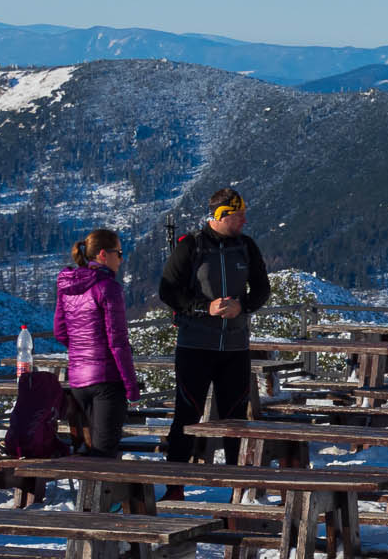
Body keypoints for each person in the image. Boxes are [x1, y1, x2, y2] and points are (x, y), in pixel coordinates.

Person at [158, 188, 270, 483]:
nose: (244, 221)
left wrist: (242, 305)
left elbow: (262, 289)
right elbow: (168, 291)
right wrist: (203, 307)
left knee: (235, 420)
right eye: (238, 215)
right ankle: (175, 484)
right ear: (221, 216)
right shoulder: (191, 247)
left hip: (234, 348)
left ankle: (239, 486)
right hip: (195, 346)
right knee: (187, 415)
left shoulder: (246, 247)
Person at [53, 228, 142, 457]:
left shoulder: (68, 288)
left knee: (89, 448)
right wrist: (131, 387)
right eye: (119, 253)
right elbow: (118, 342)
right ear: (104, 254)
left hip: (78, 381)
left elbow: (60, 332)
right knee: (104, 453)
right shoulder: (109, 288)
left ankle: (89, 493)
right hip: (107, 381)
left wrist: (83, 351)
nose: (121, 259)